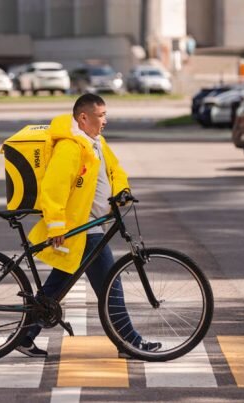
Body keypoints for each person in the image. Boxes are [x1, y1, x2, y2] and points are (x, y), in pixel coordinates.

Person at [16, 94, 161, 358]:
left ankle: (25, 335)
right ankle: (129, 342)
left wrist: (122, 191)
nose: (105, 120)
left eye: (106, 114)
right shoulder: (71, 147)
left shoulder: (96, 142)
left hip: (90, 226)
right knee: (110, 288)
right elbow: (54, 188)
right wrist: (57, 226)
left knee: (56, 287)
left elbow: (114, 170)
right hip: (82, 229)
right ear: (84, 118)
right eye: (101, 115)